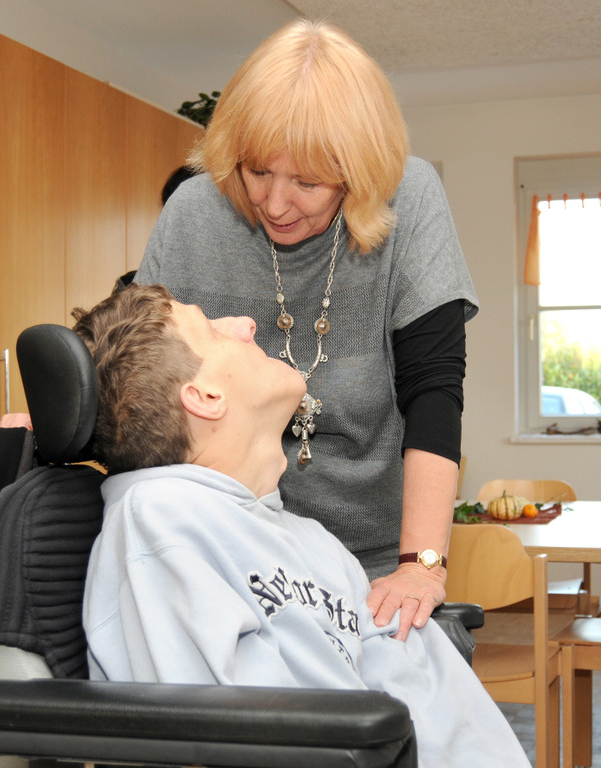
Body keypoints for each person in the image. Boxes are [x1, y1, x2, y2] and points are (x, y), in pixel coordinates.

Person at [79, 284, 528, 768]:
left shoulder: (309, 539)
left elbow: (406, 687)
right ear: (205, 397)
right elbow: (219, 733)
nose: (246, 325)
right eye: (212, 329)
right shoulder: (159, 519)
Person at [135, 18, 477, 640]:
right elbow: (139, 374)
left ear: (360, 173)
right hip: (225, 553)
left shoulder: (411, 198)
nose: (274, 203)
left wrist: (421, 566)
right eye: (257, 171)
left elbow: (434, 389)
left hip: (374, 563)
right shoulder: (192, 213)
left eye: (308, 182)